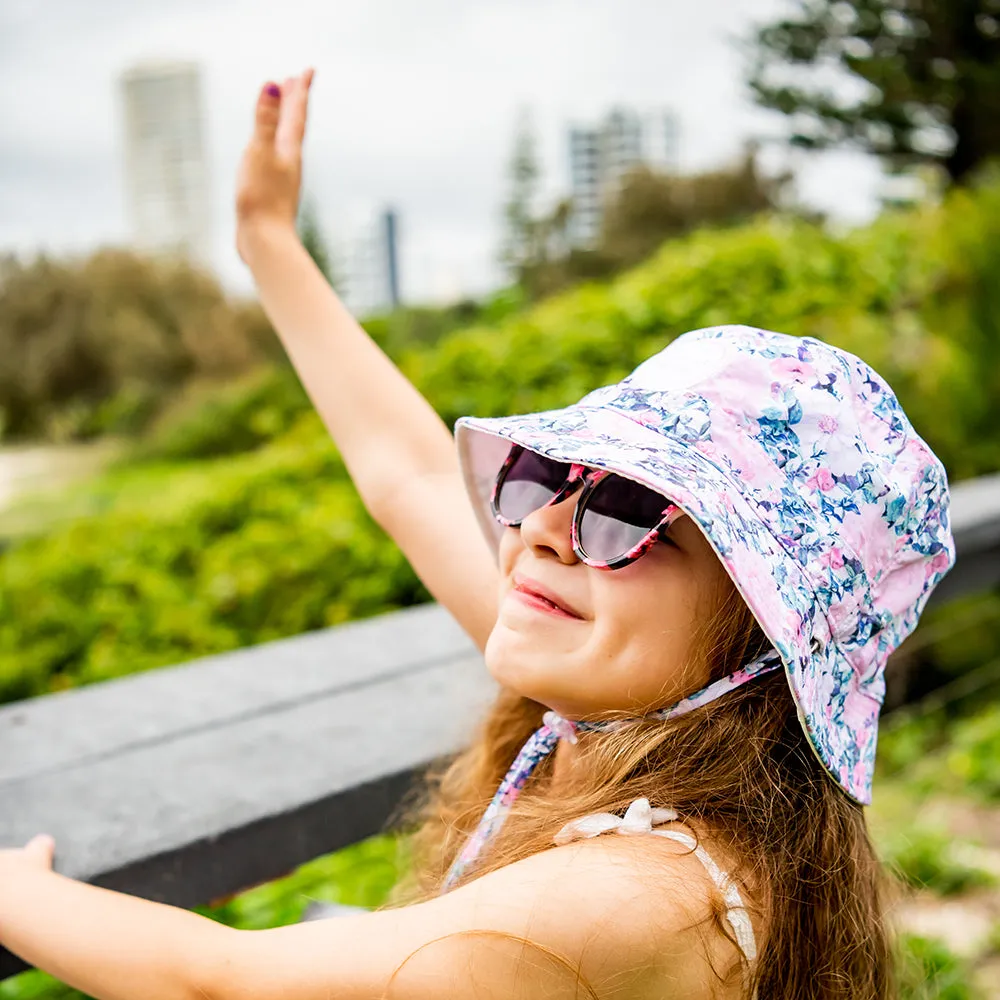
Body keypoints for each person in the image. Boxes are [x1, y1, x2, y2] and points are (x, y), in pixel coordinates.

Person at [0, 69, 956, 1000]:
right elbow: (409, 475)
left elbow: (223, 981)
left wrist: (16, 894)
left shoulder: (651, 898)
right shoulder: (628, 721)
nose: (542, 528)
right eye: (545, 477)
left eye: (627, 517)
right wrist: (265, 243)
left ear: (765, 628)